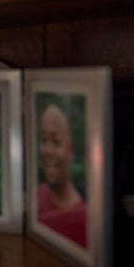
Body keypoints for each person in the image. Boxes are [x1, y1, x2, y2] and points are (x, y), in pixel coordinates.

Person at [36, 104, 87, 247]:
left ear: (70, 150)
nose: (47, 150)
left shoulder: (83, 219)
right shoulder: (38, 194)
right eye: (43, 140)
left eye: (55, 141)